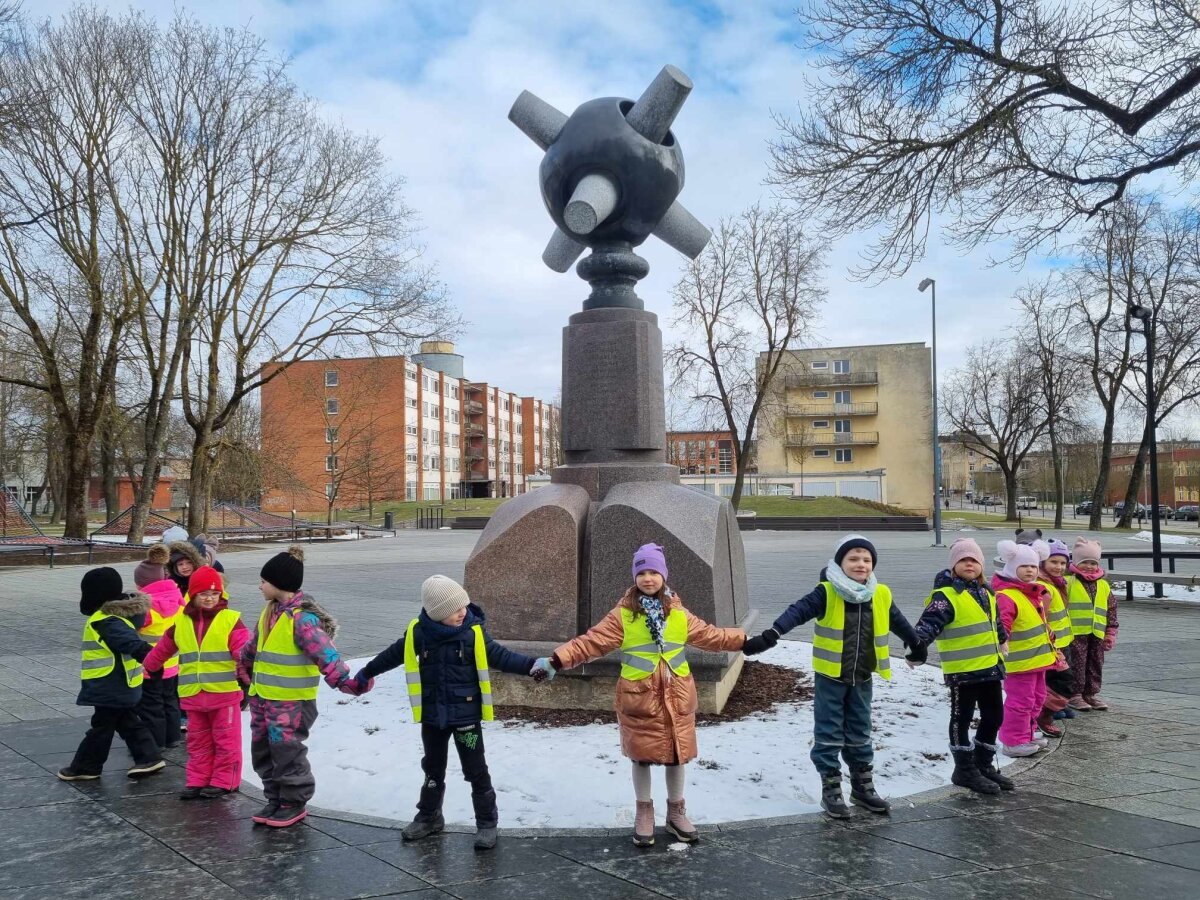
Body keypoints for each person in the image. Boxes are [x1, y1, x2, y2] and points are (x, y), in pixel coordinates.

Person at [532, 543, 746, 846]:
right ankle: (644, 811)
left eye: (654, 572)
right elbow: (590, 643)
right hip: (639, 700)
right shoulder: (623, 615)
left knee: (677, 758)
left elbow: (711, 636)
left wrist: (746, 641)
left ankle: (676, 812)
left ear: (664, 575)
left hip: (677, 698)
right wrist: (556, 660)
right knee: (641, 759)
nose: (648, 578)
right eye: (642, 572)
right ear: (634, 577)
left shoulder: (678, 614)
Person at [351, 575, 537, 851]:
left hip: (466, 717)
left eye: (463, 606)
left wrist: (533, 666)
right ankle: (429, 816)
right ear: (437, 613)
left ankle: (487, 822)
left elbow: (502, 657)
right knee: (432, 768)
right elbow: (393, 654)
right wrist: (367, 673)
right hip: (432, 717)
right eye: (455, 609)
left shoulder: (473, 633)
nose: (462, 612)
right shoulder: (419, 633)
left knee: (476, 770)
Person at [240, 546, 367, 827]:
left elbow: (325, 654)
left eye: (263, 581)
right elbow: (255, 645)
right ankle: (275, 798)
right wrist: (242, 663)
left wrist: (347, 682)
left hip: (292, 702)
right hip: (264, 698)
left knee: (287, 751)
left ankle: (293, 801)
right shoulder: (269, 612)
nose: (260, 586)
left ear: (279, 584)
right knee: (262, 749)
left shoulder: (302, 620)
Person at [910, 538, 1012, 794]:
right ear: (953, 565)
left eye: (974, 560)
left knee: (994, 716)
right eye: (963, 560)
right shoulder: (945, 596)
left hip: (990, 668)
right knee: (962, 718)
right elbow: (928, 624)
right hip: (963, 671)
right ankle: (964, 769)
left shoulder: (987, 592)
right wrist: (917, 646)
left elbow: (995, 621)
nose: (969, 564)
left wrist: (1002, 639)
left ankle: (983, 764)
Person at [143, 565, 251, 799]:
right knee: (197, 742)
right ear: (193, 595)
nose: (210, 598)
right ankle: (198, 780)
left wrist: (248, 675)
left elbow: (243, 651)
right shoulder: (181, 622)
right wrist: (149, 667)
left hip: (224, 694)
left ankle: (225, 781)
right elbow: (163, 648)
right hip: (193, 694)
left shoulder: (230, 620)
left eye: (214, 593)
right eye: (204, 594)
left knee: (226, 741)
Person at [57, 568, 166, 781]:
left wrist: (151, 660)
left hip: (110, 683)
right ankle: (149, 757)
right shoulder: (116, 616)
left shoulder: (106, 620)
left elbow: (130, 642)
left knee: (102, 727)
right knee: (127, 721)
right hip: (121, 683)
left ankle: (86, 766)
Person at [992, 541, 1057, 757]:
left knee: (1037, 698)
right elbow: (1003, 623)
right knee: (1020, 702)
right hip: (1019, 663)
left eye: (1033, 566)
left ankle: (1026, 733)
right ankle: (1013, 741)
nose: (1030, 570)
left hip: (1037, 660)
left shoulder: (1032, 592)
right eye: (1024, 566)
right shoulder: (1007, 595)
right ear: (1012, 567)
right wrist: (1003, 640)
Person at [133, 544, 185, 751]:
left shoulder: (145, 608)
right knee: (170, 700)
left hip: (150, 666)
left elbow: (134, 629)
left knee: (151, 704)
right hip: (172, 664)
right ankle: (173, 737)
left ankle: (156, 740)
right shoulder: (178, 600)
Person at [1066, 538, 1117, 712]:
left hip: (1097, 633)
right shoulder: (1069, 582)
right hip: (1074, 634)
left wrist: (1110, 631)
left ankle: (1090, 693)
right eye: (1084, 562)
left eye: (1093, 563)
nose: (1089, 566)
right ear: (1075, 562)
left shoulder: (1103, 585)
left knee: (1095, 663)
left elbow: (1111, 609)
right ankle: (1075, 694)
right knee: (1077, 663)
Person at [1037, 540, 1075, 735]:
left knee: (1058, 681)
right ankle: (1044, 715)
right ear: (1042, 562)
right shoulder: (1043, 587)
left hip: (1063, 642)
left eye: (1063, 563)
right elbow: (1040, 617)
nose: (1059, 567)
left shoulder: (1057, 583)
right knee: (1062, 681)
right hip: (1052, 645)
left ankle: (1052, 710)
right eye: (1053, 562)